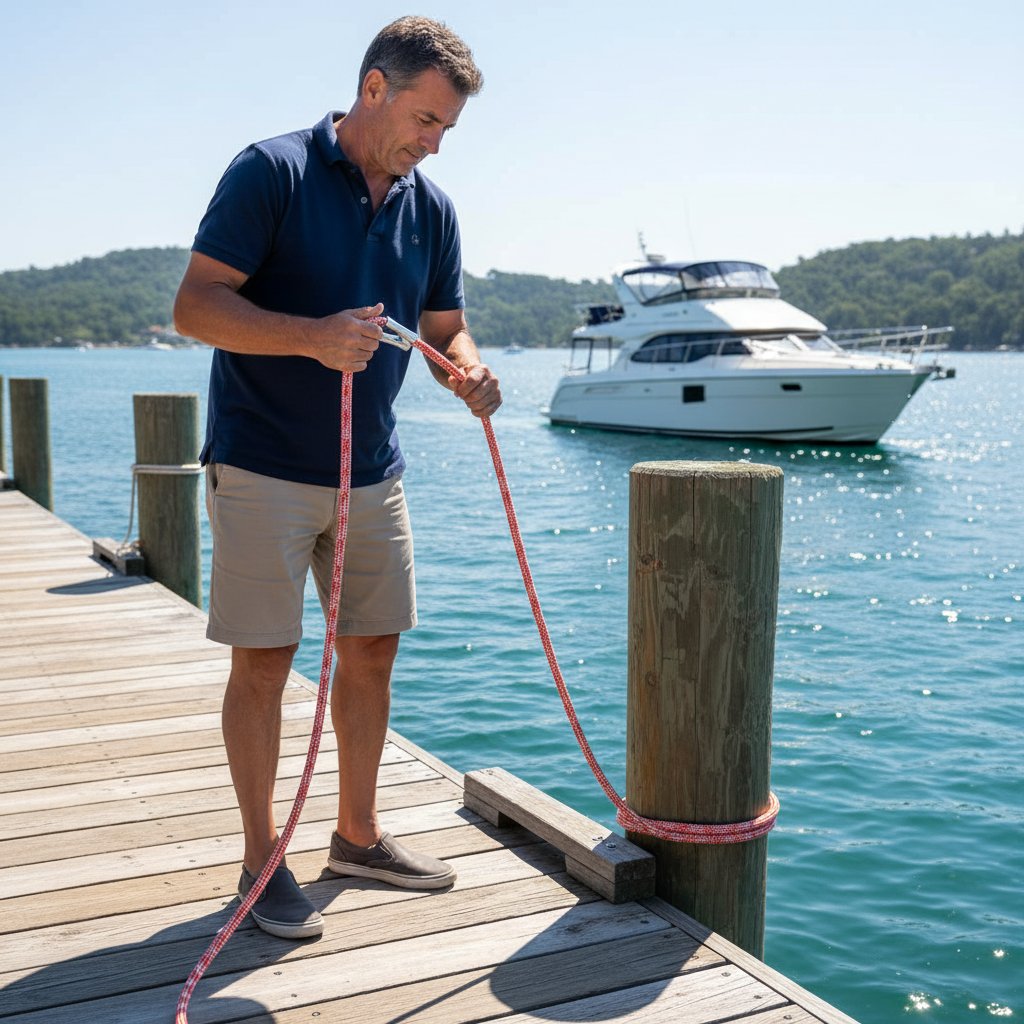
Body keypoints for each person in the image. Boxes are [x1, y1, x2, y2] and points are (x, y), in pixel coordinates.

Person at [173, 16, 501, 941]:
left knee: (371, 650)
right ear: (374, 89)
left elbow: (443, 326)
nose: (434, 142)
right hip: (261, 462)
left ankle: (357, 837)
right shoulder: (269, 170)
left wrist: (466, 370)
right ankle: (258, 862)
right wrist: (312, 337)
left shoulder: (429, 209)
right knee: (265, 664)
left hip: (373, 470)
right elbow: (195, 305)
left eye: (446, 129)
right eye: (427, 119)